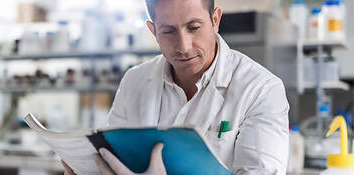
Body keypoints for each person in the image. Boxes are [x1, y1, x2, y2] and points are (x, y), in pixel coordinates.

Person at [64, 0, 290, 174]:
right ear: (153, 32)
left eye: (193, 28)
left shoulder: (261, 89)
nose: (183, 47)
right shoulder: (134, 81)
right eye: (168, 32)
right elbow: (117, 158)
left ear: (215, 19)